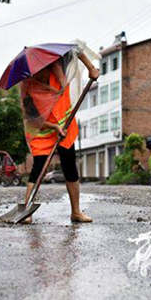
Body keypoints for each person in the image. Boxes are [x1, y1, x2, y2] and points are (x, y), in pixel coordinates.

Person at [21, 51, 99, 224]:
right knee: (38, 169)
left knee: (70, 167)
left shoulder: (58, 70)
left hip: (66, 126)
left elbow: (77, 49)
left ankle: (76, 212)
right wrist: (54, 127)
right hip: (44, 131)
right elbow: (32, 120)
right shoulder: (28, 88)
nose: (40, 73)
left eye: (42, 69)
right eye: (36, 72)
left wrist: (91, 68)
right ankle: (26, 212)